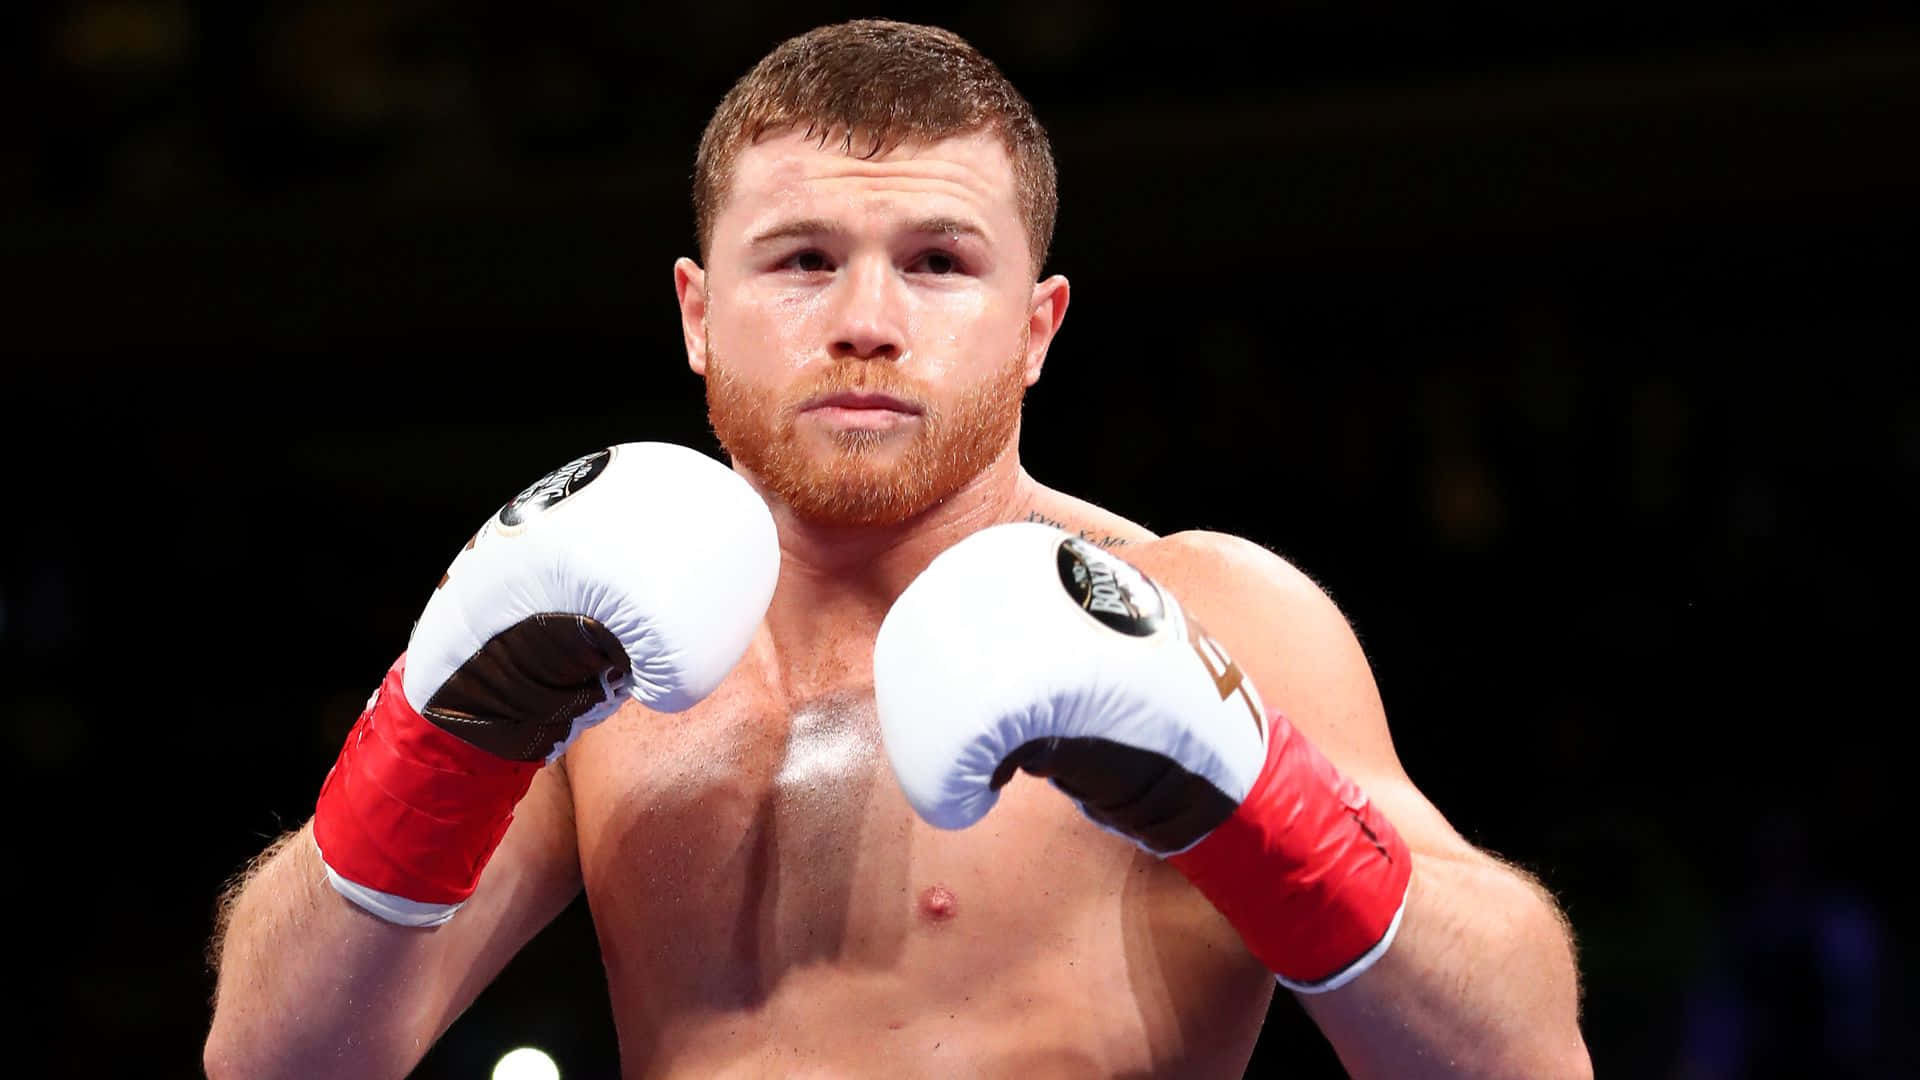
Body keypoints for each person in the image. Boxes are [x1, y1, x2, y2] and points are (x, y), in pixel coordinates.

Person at [203, 19, 1591, 1078]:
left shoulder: (1202, 607)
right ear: (697, 314)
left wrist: (1252, 796)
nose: (866, 321)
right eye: (802, 259)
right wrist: (443, 726)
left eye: (938, 262)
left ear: (1036, 327)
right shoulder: (592, 646)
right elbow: (276, 1057)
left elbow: (1524, 1054)